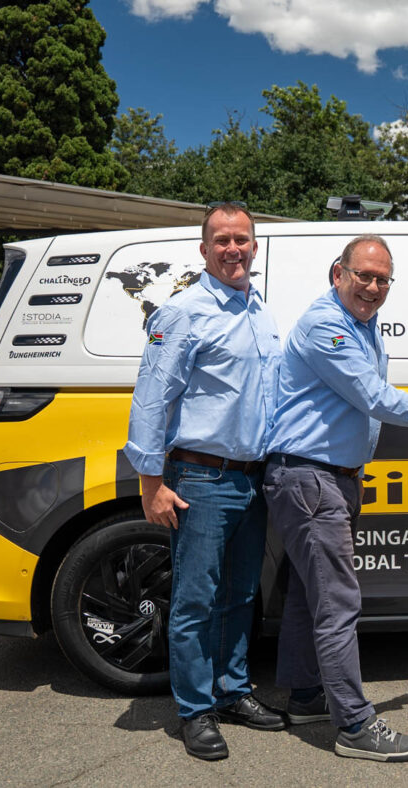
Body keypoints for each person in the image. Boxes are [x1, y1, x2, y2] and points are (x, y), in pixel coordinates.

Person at [264, 234, 408, 763]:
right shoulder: (326, 325)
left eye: (383, 280)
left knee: (307, 594)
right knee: (338, 601)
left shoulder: (362, 324)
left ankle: (307, 696)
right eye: (364, 276)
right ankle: (355, 726)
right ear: (339, 273)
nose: (373, 287)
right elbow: (373, 397)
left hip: (326, 478)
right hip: (311, 479)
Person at [124, 203, 287, 760]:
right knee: (195, 600)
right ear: (204, 249)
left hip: (252, 478)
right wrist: (151, 483)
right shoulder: (182, 312)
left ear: (255, 247)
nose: (233, 249)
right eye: (222, 240)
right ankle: (195, 711)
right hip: (200, 477)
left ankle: (233, 691)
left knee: (240, 595)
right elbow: (151, 398)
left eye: (242, 239)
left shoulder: (259, 311)